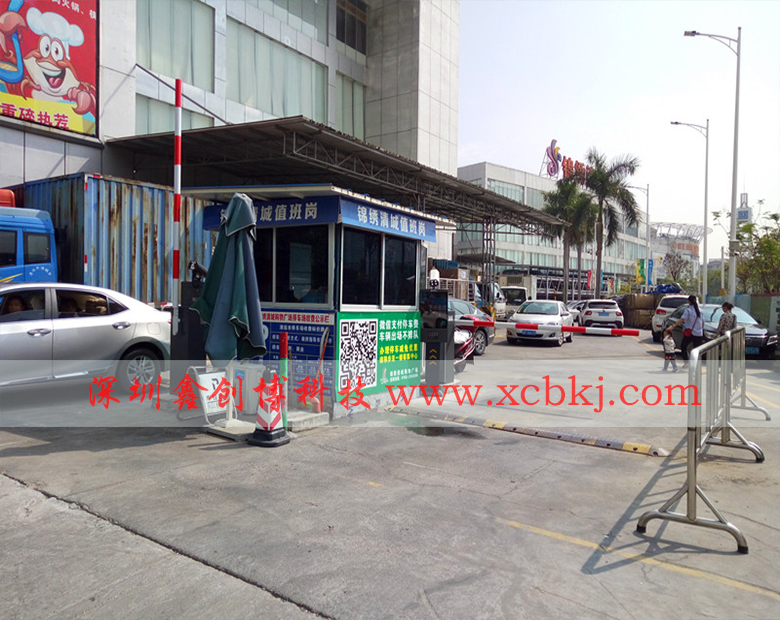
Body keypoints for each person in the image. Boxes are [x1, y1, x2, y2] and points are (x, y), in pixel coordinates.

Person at [671, 294, 704, 367]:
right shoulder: (700, 310)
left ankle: (686, 363)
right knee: (697, 350)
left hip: (690, 333)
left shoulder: (688, 310)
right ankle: (696, 365)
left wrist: (673, 326)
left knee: (683, 346)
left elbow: (682, 319)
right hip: (699, 333)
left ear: (689, 301)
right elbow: (702, 323)